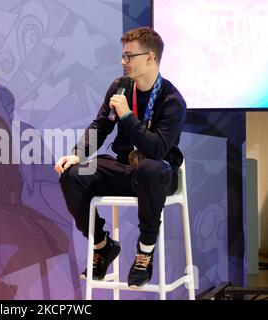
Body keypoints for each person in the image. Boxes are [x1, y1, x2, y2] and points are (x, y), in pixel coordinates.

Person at [55, 27, 186, 287]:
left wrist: (127, 116)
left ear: (150, 57)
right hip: (125, 169)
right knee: (73, 174)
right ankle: (102, 245)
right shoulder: (120, 88)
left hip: (158, 174)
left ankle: (145, 251)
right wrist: (76, 154)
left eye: (129, 56)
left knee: (149, 168)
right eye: (123, 56)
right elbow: (100, 126)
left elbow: (157, 149)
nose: (123, 62)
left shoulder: (172, 100)